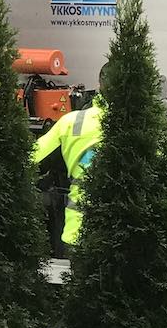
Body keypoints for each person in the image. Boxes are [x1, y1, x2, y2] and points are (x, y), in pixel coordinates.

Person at [32, 66, 111, 249]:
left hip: (79, 232)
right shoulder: (148, 129)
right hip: (134, 239)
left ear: (99, 86)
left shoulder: (72, 122)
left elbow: (30, 161)